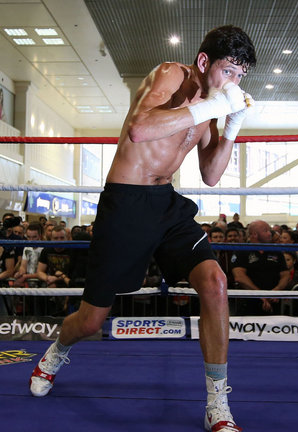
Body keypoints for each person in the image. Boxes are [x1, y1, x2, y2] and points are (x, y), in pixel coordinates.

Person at [29, 25, 256, 432]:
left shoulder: (213, 106)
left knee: (215, 283)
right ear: (204, 62)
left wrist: (233, 125)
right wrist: (209, 110)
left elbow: (210, 175)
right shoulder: (171, 75)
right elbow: (140, 128)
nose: (234, 83)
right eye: (228, 71)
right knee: (91, 320)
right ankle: (57, 350)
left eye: (241, 76)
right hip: (125, 205)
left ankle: (217, 403)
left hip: (167, 205)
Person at [231, 220, 291, 315]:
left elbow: (286, 275)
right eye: (266, 230)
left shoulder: (276, 251)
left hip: (273, 302)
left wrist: (276, 291)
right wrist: (260, 295)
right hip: (249, 304)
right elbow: (239, 276)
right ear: (254, 234)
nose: (270, 233)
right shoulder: (242, 250)